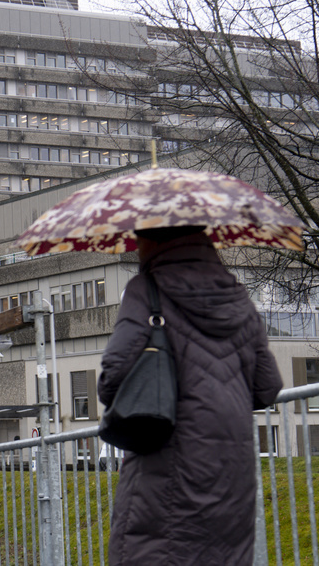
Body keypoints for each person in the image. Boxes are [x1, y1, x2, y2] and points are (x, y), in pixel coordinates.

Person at [98, 226, 283, 565]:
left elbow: (112, 378)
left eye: (139, 239)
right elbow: (267, 387)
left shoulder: (147, 290)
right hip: (232, 478)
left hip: (167, 466)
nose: (137, 247)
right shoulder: (238, 297)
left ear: (154, 241)